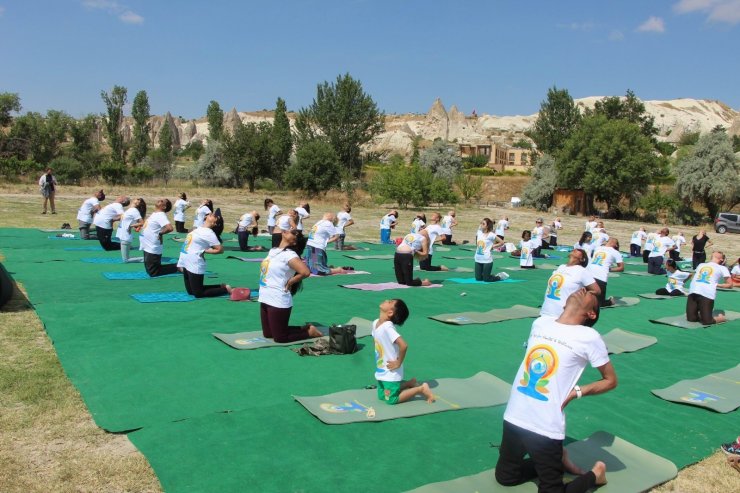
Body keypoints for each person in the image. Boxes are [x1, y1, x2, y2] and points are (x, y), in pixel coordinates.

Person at [495, 289, 616, 492]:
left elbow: (610, 380)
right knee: (505, 477)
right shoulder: (541, 323)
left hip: (545, 423)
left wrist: (578, 391)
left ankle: (595, 475)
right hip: (515, 414)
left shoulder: (588, 336)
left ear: (591, 314)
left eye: (589, 294)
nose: (583, 289)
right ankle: (558, 460)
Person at [259, 228, 324, 343]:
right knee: (268, 334)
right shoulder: (274, 250)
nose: (289, 230)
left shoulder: (290, 255)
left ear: (294, 241)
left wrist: (292, 281)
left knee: (280, 338)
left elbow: (305, 272)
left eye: (294, 233)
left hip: (278, 298)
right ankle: (303, 328)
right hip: (265, 296)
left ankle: (309, 332)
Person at [373, 298, 435, 405]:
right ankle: (409, 383)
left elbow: (403, 345)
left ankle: (421, 389)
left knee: (391, 400)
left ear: (390, 312)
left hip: (391, 371)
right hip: (382, 368)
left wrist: (398, 363)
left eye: (390, 302)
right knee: (382, 396)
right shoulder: (375, 323)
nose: (387, 300)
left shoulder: (388, 327)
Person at [178, 213, 232, 298]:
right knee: (191, 291)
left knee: (198, 294)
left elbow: (220, 250)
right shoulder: (199, 228)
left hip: (195, 262)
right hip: (186, 261)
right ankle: (220, 286)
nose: (213, 214)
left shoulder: (209, 234)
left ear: (214, 223)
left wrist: (205, 251)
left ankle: (225, 289)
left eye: (215, 216)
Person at [540, 249, 601, 318]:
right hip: (546, 309)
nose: (575, 250)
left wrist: (580, 297)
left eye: (578, 250)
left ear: (582, 259)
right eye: (574, 249)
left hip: (563, 313)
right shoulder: (561, 267)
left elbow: (597, 290)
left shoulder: (582, 271)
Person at [686, 251, 732, 325]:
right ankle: (702, 312)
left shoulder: (722, 268)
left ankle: (721, 318)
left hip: (707, 294)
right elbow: (694, 277)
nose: (717, 252)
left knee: (707, 321)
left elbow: (730, 284)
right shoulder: (701, 265)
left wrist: (717, 285)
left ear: (722, 259)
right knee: (691, 319)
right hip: (693, 292)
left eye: (719, 253)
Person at [140, 198, 178, 277]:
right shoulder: (155, 214)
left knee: (153, 272)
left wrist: (160, 233)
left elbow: (170, 228)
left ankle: (179, 267)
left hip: (153, 246)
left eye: (162, 201)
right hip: (148, 245)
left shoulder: (161, 215)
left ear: (164, 207)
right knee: (150, 270)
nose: (160, 200)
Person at [586, 238, 624, 307]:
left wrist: (609, 269)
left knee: (598, 304)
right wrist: (610, 269)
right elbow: (621, 268)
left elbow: (621, 268)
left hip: (600, 277)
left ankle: (610, 301)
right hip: (590, 275)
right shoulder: (598, 248)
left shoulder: (614, 252)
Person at [474, 218, 509, 282]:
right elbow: (477, 243)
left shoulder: (491, 235)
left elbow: (502, 242)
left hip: (487, 260)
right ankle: (488, 275)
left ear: (487, 226)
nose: (481, 225)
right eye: (481, 223)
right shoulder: (479, 232)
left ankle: (499, 277)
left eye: (483, 224)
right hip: (478, 258)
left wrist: (493, 246)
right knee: (478, 278)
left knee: (486, 279)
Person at [116, 198, 146, 263]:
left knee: (125, 260)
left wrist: (130, 226)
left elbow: (142, 222)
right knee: (126, 258)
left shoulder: (134, 211)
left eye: (138, 200)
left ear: (138, 203)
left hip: (125, 237)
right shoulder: (130, 210)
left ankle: (147, 259)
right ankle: (146, 258)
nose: (136, 199)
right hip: (123, 235)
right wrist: (135, 226)